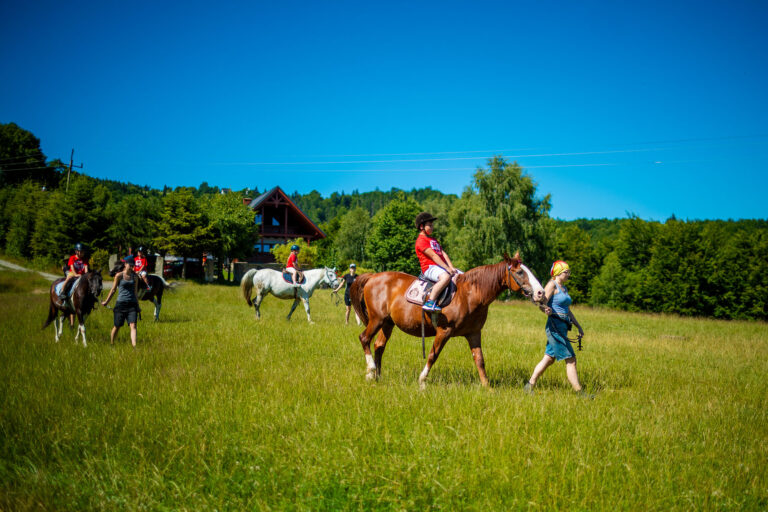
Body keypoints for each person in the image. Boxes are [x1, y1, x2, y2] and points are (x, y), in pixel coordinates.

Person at [524, 260, 591, 397]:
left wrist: (578, 326)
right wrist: (545, 310)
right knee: (571, 359)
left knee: (549, 359)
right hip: (554, 326)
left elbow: (567, 310)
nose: (568, 274)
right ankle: (580, 392)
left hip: (563, 326)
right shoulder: (552, 285)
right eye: (566, 272)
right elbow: (542, 303)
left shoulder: (564, 289)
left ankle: (529, 385)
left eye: (568, 272)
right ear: (558, 273)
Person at [414, 212, 459, 312]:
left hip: (440, 267)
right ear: (422, 227)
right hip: (429, 267)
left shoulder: (433, 240)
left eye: (432, 225)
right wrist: (447, 269)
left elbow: (443, 254)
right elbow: (434, 256)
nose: (432, 227)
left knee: (461, 276)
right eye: (429, 225)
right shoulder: (421, 241)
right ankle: (430, 302)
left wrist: (451, 267)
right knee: (445, 277)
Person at [101, 255, 140, 347]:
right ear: (125, 264)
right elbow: (113, 290)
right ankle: (112, 343)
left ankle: (134, 346)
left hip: (132, 305)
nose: (132, 267)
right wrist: (106, 301)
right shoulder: (119, 276)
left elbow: (135, 292)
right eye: (130, 265)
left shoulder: (135, 277)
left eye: (133, 265)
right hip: (120, 304)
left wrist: (138, 306)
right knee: (117, 326)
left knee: (133, 325)